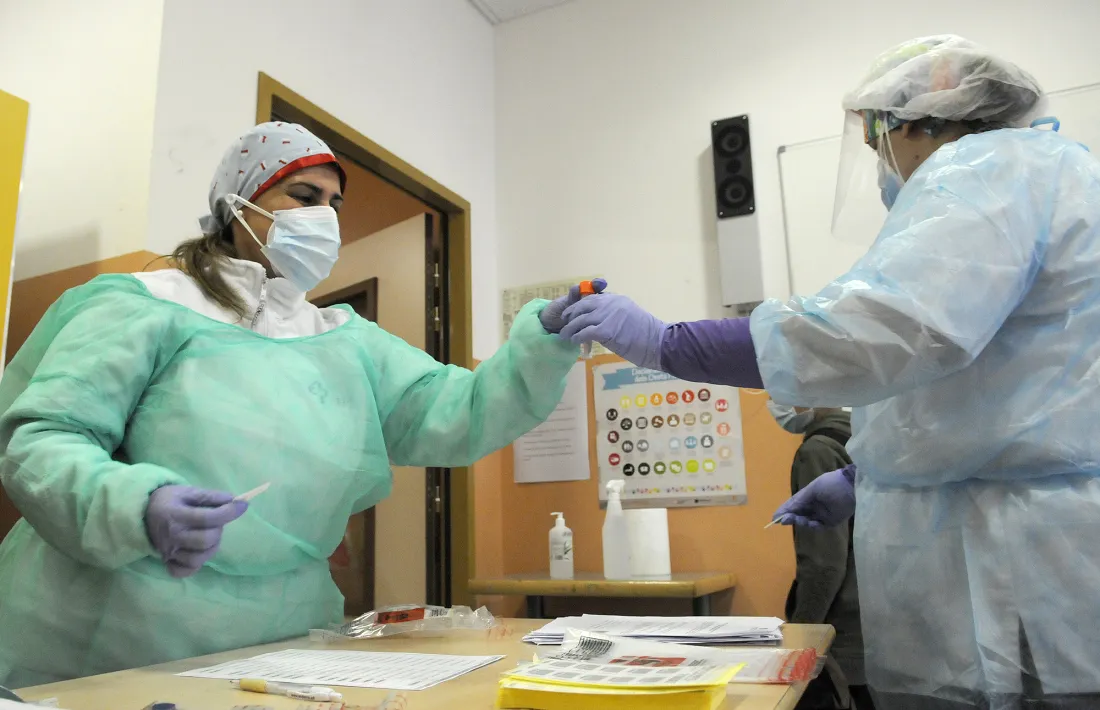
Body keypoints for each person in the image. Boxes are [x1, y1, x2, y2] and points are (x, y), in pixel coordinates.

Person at [558, 35, 1100, 709]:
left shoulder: (990, 171)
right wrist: (863, 475)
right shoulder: (1048, 177)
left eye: (881, 146)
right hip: (1015, 542)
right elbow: (982, 386)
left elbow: (882, 330)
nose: (883, 167)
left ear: (921, 123)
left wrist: (664, 342)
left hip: (1020, 565)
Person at [0, 122, 595, 687]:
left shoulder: (342, 338)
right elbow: (44, 438)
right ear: (237, 206)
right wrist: (136, 505)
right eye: (304, 195)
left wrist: (543, 342)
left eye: (333, 204)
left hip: (282, 635)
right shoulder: (145, 305)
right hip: (113, 633)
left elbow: (460, 411)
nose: (325, 218)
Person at [769, 403, 869, 710]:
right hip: (886, 626)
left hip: (846, 634)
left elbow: (824, 563)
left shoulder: (820, 450)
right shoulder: (867, 439)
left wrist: (800, 637)